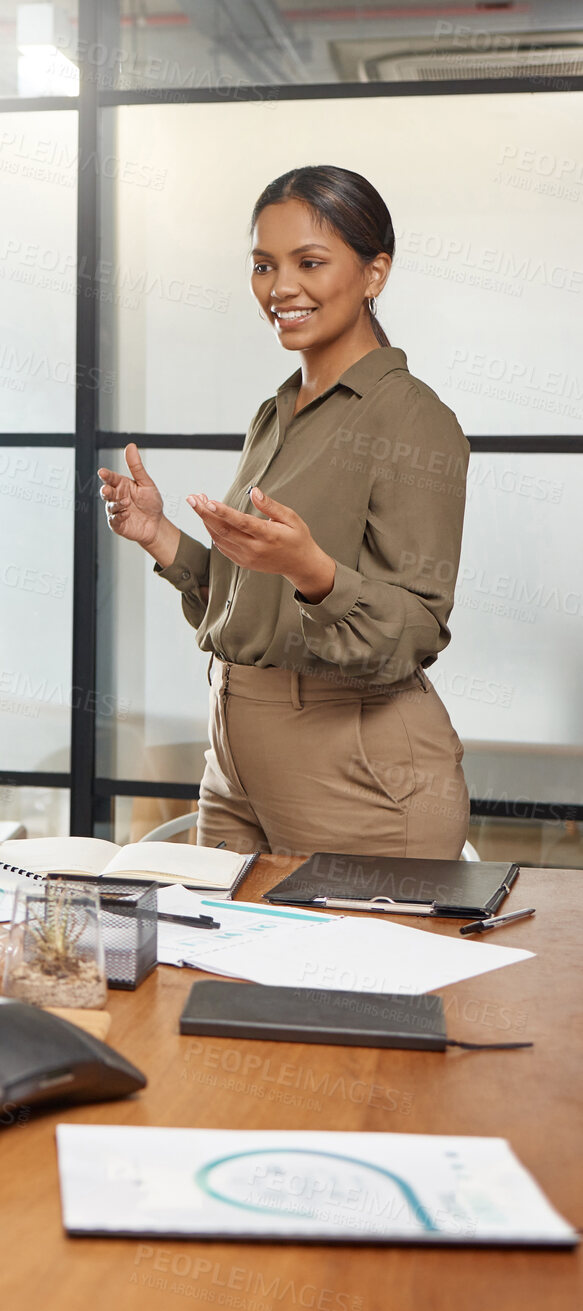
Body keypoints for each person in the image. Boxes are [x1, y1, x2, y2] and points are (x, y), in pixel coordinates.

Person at [98, 165, 469, 858]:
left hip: (353, 766)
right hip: (234, 752)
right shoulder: (276, 413)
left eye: (310, 262)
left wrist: (315, 572)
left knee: (342, 969)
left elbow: (414, 631)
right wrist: (160, 537)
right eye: (263, 265)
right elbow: (254, 600)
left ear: (373, 273)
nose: (280, 288)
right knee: (212, 963)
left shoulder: (410, 417)